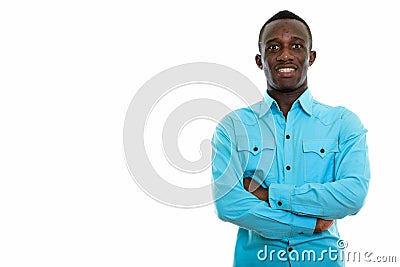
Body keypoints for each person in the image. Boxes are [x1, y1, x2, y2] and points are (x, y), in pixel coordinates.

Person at [211, 10, 370, 267]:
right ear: (260, 60)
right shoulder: (233, 126)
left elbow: (353, 195)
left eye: (296, 45)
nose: (285, 55)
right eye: (274, 47)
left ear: (311, 57)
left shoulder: (343, 123)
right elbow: (228, 204)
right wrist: (307, 224)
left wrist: (269, 193)